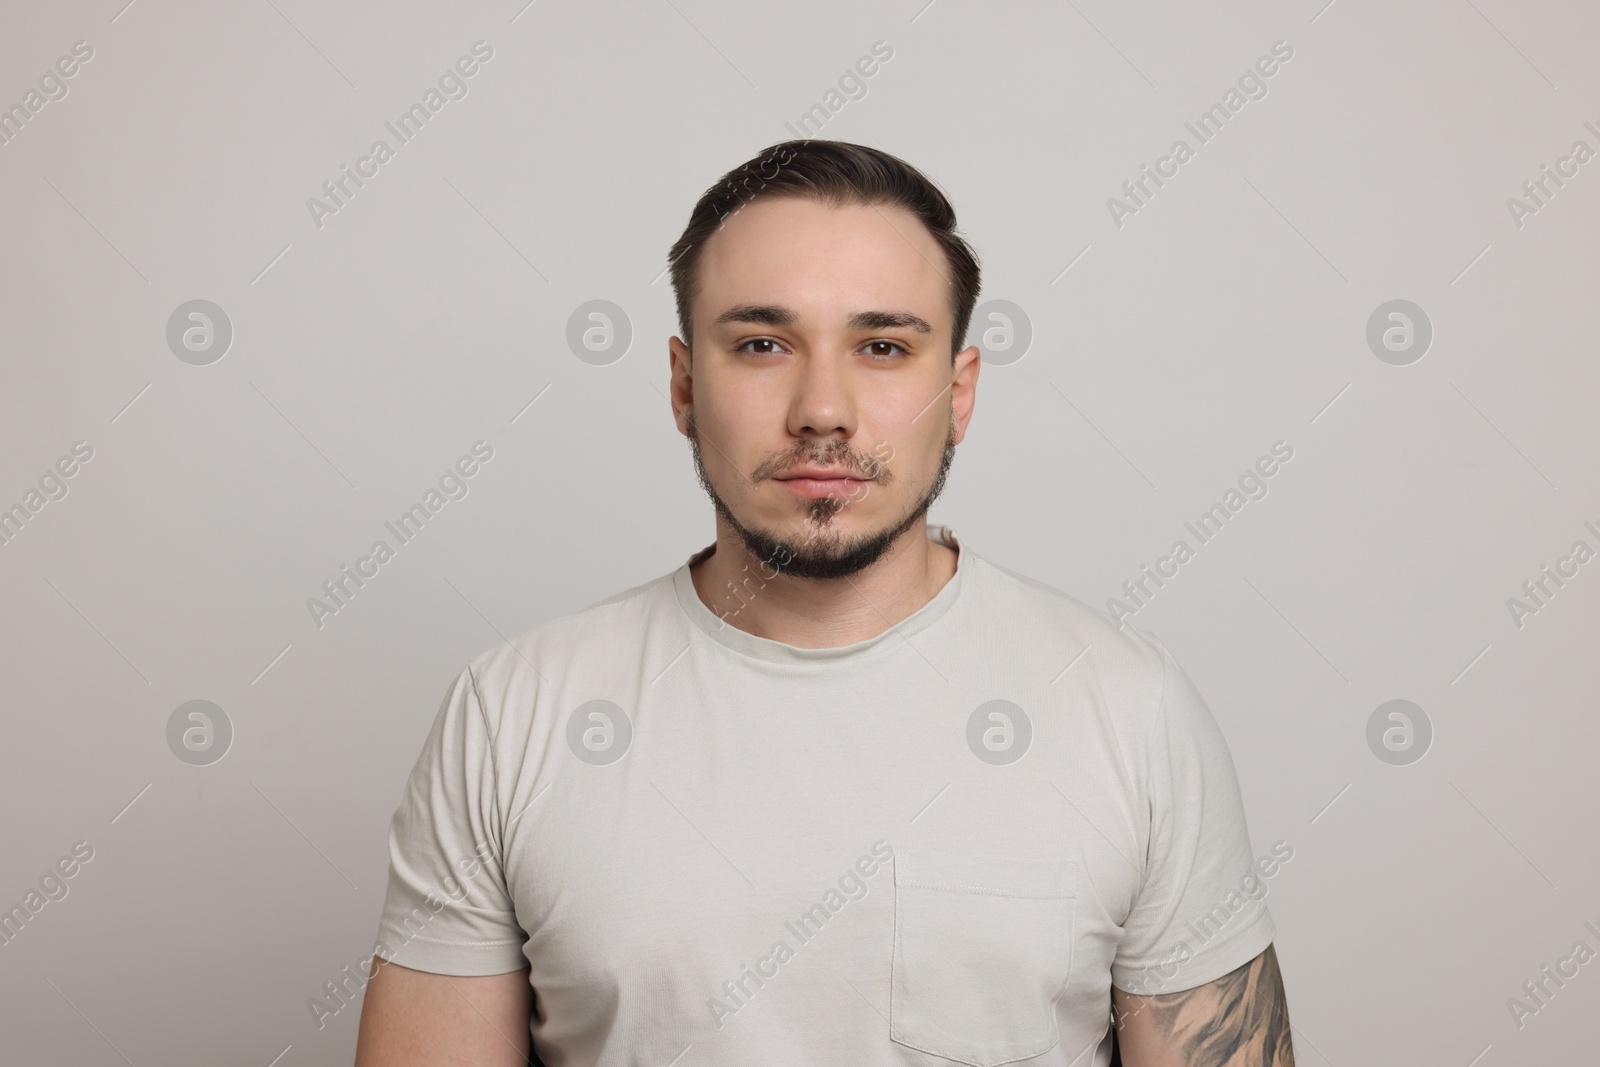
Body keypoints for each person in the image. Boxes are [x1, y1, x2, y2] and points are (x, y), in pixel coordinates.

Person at [353, 139, 1295, 1066]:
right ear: (684, 384)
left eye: (882, 346)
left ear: (958, 393)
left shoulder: (1131, 711)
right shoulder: (512, 715)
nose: (823, 409)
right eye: (762, 343)